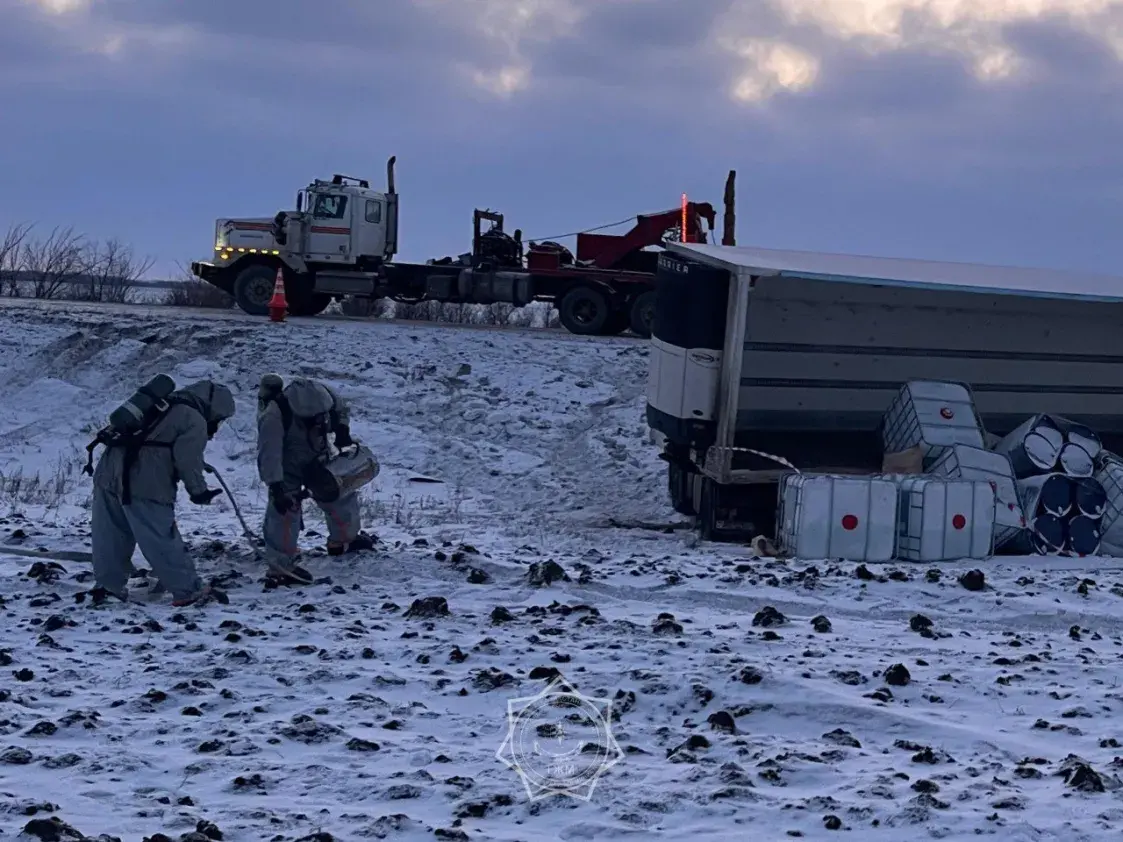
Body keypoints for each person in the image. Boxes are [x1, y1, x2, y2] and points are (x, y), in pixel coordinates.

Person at [90, 379, 236, 606]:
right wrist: (198, 491)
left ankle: (108, 588)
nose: (216, 427)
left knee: (110, 537)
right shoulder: (193, 419)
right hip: (146, 482)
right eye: (219, 420)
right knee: (161, 538)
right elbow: (187, 460)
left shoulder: (159, 405)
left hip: (108, 475)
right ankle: (188, 591)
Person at [256, 374, 374, 579]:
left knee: (338, 493)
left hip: (318, 456)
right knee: (284, 511)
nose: (318, 420)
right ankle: (281, 567)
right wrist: (275, 484)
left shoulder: (326, 397)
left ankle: (344, 540)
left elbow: (341, 409)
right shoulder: (274, 415)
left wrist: (342, 429)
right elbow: (269, 452)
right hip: (287, 465)